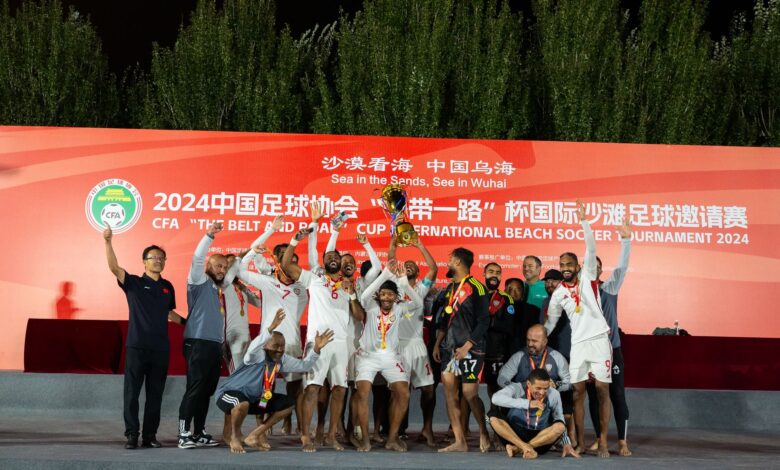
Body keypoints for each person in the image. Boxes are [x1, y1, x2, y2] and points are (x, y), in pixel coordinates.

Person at [280, 227, 363, 452]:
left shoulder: (348, 285)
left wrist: (352, 294)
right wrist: (294, 241)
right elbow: (287, 266)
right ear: (324, 262)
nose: (334, 259)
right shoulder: (314, 279)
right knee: (313, 388)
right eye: (329, 257)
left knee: (339, 390)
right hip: (318, 343)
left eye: (337, 257)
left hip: (341, 344)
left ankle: (330, 435)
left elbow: (360, 316)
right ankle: (306, 436)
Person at [103, 225, 184, 449]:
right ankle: (131, 434)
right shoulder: (134, 283)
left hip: (160, 349)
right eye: (153, 257)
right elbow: (113, 267)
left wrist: (189, 324)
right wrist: (108, 242)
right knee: (131, 394)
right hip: (137, 347)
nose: (158, 260)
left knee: (155, 395)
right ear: (144, 262)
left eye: (161, 258)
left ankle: (149, 435)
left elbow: (170, 314)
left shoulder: (168, 286)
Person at [544, 200, 613, 458]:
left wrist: (584, 222)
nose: (565, 268)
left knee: (602, 389)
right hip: (579, 345)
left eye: (569, 264)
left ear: (578, 266)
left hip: (598, 340)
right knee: (577, 393)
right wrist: (539, 338)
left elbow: (591, 247)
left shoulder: (588, 278)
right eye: (562, 265)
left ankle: (603, 441)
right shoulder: (559, 293)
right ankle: (581, 443)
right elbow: (550, 322)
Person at [239, 213, 316, 436]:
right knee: (266, 388)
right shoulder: (267, 282)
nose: (289, 260)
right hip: (268, 343)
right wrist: (270, 231)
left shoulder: (302, 288)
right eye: (282, 256)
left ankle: (299, 425)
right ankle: (261, 427)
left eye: (291, 257)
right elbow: (244, 266)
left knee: (295, 388)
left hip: (290, 344)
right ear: (276, 260)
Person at [217, 308, 335, 453]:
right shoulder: (256, 355)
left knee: (288, 404)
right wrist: (270, 328)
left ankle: (254, 435)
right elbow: (254, 348)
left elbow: (305, 365)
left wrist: (316, 349)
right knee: (241, 403)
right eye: (275, 346)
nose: (279, 350)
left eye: (282, 346)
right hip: (228, 395)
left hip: (254, 400)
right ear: (265, 345)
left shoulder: (281, 360)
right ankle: (235, 437)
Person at [352, 261, 421, 452]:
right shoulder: (370, 306)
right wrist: (385, 275)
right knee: (363, 394)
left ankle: (391, 438)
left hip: (391, 357)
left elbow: (418, 303)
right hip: (368, 357)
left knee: (404, 393)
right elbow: (365, 295)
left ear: (395, 297)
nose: (386, 297)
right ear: (379, 296)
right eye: (383, 294)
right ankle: (365, 439)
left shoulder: (399, 308)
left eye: (390, 294)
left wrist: (404, 283)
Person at [432, 248, 491, 452]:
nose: (447, 263)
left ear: (457, 261)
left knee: (469, 394)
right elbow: (444, 319)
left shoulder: (477, 287)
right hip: (449, 348)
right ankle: (460, 441)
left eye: (449, 259)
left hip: (471, 350)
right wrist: (437, 343)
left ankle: (484, 431)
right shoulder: (450, 289)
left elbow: (484, 321)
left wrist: (467, 346)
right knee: (450, 394)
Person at [177, 221, 229, 449]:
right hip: (197, 343)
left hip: (213, 346)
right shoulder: (198, 280)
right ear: (209, 265)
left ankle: (199, 432)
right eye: (218, 266)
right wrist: (209, 236)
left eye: (225, 268)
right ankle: (184, 434)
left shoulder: (218, 289)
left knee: (206, 391)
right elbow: (196, 259)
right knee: (195, 388)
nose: (222, 270)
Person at [587, 218, 633, 456]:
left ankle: (623, 441)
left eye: (595, 265)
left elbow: (622, 268)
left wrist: (626, 240)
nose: (591, 268)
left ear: (599, 270)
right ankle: (598, 437)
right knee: (595, 397)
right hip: (590, 352)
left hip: (611, 350)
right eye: (587, 265)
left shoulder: (609, 289)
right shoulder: (579, 293)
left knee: (616, 395)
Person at [388, 237, 438, 446]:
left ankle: (427, 428)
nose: (408, 266)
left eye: (413, 266)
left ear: (417, 274)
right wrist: (394, 239)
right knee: (399, 392)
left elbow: (433, 268)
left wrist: (418, 245)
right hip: (396, 346)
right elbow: (391, 259)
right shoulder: (393, 290)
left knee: (428, 389)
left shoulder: (420, 290)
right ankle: (396, 431)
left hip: (416, 345)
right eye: (405, 265)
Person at [489, 369, 579, 459]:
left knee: (560, 426)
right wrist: (527, 404)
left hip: (541, 439)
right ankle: (524, 447)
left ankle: (517, 449)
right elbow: (495, 399)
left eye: (546, 388)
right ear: (529, 384)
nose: (542, 392)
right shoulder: (516, 388)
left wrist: (566, 443)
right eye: (538, 388)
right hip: (515, 435)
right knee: (493, 417)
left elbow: (559, 418)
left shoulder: (554, 394)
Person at [497, 325, 571, 395]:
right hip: (523, 402)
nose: (530, 344)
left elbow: (570, 382)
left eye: (534, 341)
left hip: (548, 403)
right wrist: (520, 386)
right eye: (528, 340)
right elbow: (501, 378)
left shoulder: (556, 357)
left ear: (545, 341)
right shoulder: (519, 356)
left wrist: (556, 384)